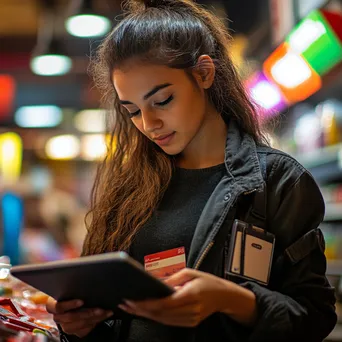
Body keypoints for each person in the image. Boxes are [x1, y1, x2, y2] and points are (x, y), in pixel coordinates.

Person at [46, 0, 337, 341]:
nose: (149, 124)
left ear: (203, 73)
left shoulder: (277, 182)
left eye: (162, 100)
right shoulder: (130, 188)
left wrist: (232, 300)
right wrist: (77, 327)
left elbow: (315, 318)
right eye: (133, 111)